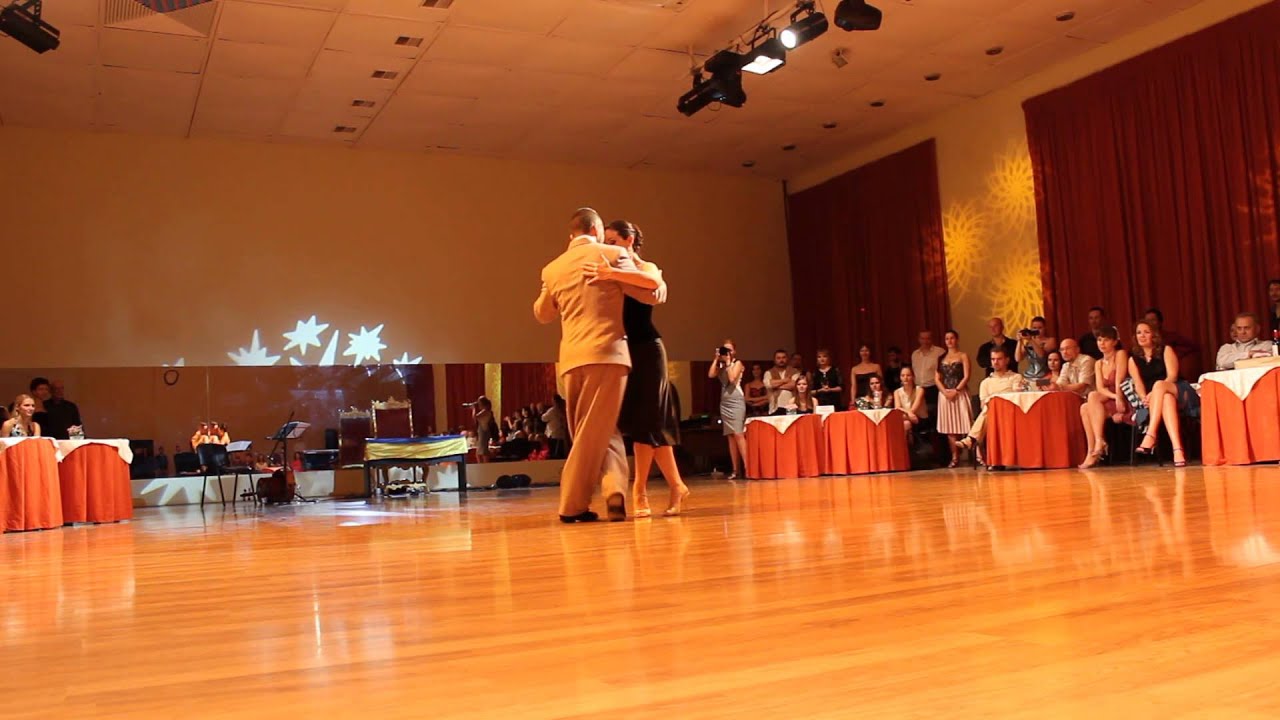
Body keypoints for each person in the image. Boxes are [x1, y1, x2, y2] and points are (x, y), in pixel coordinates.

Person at [534, 207, 663, 523]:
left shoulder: (553, 268)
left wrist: (552, 288)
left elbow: (542, 313)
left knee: (597, 430)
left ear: (571, 234)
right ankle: (573, 504)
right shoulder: (612, 253)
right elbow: (654, 293)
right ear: (597, 230)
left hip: (571, 359)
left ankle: (612, 489)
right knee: (596, 430)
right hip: (607, 353)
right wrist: (616, 274)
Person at [600, 219, 689, 518]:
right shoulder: (613, 271)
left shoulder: (645, 267)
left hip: (649, 350)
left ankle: (639, 491)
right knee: (648, 424)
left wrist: (611, 272)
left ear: (628, 240)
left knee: (645, 422)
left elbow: (653, 284)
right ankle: (675, 486)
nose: (608, 245)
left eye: (612, 240)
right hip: (626, 350)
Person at [1126, 321, 1188, 467]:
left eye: (1146, 332)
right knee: (1166, 399)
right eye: (1139, 332)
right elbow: (1138, 384)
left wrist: (1153, 393)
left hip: (1177, 389)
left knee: (1159, 385)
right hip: (1157, 399)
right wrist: (1144, 397)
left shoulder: (1166, 350)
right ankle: (1177, 450)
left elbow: (1172, 376)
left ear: (1154, 334)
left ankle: (1150, 434)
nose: (1142, 335)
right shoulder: (1133, 360)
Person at [956, 347, 1022, 465]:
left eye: (999, 359)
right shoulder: (985, 383)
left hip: (1011, 413)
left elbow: (1017, 398)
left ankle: (971, 438)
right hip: (993, 414)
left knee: (991, 407)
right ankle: (973, 439)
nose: (995, 362)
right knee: (988, 408)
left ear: (1007, 360)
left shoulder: (1015, 377)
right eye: (993, 359)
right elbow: (983, 405)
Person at [1079, 327, 1130, 469]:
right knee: (1085, 406)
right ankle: (1094, 447)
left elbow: (1119, 380)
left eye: (1106, 340)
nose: (1102, 343)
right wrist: (1113, 396)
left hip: (1123, 395)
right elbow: (1100, 388)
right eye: (1099, 340)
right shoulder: (1098, 363)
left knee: (1092, 398)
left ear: (1114, 342)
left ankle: (1096, 446)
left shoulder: (1120, 354)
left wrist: (1118, 397)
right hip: (1109, 398)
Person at [935, 329, 974, 468]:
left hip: (960, 392)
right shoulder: (941, 358)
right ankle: (955, 456)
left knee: (967, 424)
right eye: (947, 339)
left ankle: (978, 455)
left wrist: (956, 390)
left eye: (952, 338)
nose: (949, 341)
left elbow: (966, 376)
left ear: (957, 339)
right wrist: (945, 392)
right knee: (950, 428)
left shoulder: (963, 355)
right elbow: (937, 378)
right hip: (945, 395)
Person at [710, 339, 748, 479]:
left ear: (734, 351)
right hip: (724, 402)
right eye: (724, 350)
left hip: (736, 401)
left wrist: (728, 363)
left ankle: (748, 467)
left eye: (729, 350)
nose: (727, 352)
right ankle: (735, 470)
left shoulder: (738, 363)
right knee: (730, 436)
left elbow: (732, 378)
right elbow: (711, 375)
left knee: (738, 434)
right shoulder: (720, 364)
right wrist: (716, 359)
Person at [1142, 307, 1201, 381]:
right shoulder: (1143, 341)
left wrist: (1173, 354)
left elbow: (1192, 346)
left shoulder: (1170, 337)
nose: (1149, 323)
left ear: (1160, 322)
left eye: (1152, 320)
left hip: (1169, 376)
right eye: (1147, 321)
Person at [912, 330, 946, 414]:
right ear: (919, 339)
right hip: (918, 388)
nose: (925, 341)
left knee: (934, 414)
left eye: (928, 338)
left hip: (933, 388)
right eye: (923, 338)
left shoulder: (940, 352)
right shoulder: (915, 354)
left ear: (932, 339)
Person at [893, 367, 925, 442]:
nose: (905, 378)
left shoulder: (920, 390)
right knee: (906, 423)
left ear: (913, 377)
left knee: (903, 422)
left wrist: (909, 413)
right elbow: (897, 408)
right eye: (903, 375)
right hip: (909, 418)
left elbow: (913, 409)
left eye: (908, 375)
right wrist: (908, 413)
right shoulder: (897, 392)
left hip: (919, 418)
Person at [764, 349, 799, 414]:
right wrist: (785, 380)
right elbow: (768, 385)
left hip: (791, 406)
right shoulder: (768, 373)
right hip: (774, 407)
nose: (781, 360)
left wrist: (775, 385)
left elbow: (793, 385)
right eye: (778, 358)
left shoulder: (794, 371)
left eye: (783, 357)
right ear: (774, 360)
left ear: (787, 359)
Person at [473, 396, 500, 463]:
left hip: (484, 431)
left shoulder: (486, 411)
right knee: (479, 451)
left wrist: (473, 409)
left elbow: (475, 417)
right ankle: (480, 464)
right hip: (482, 430)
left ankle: (485, 464)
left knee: (483, 450)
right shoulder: (485, 411)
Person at [541, 395, 568, 459]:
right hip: (561, 434)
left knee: (554, 452)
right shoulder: (563, 410)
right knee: (560, 451)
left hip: (554, 434)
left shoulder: (552, 410)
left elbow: (543, 418)